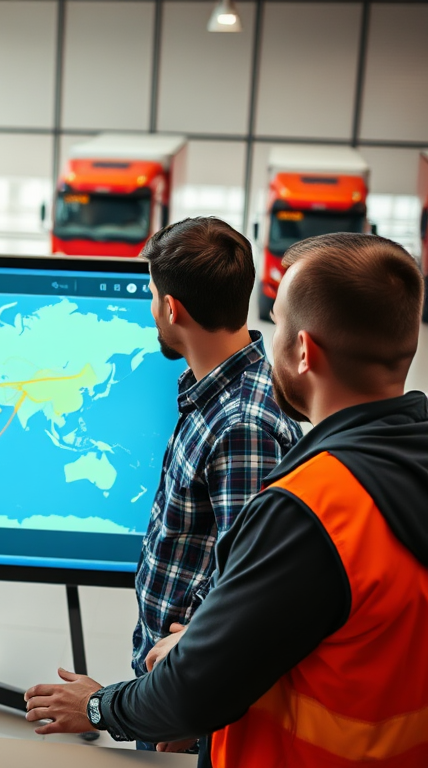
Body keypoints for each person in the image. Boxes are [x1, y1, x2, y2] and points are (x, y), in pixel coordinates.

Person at [24, 232, 428, 767]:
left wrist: (106, 705)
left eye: (279, 322)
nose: (266, 337)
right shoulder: (405, 465)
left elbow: (201, 685)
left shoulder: (312, 508)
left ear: (304, 351)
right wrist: (207, 641)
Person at [130, 217, 302, 749]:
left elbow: (247, 585)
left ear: (172, 309)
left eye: (153, 295)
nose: (152, 306)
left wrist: (193, 706)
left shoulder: (241, 425)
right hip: (175, 676)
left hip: (193, 695)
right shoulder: (217, 391)